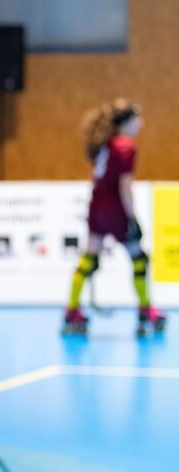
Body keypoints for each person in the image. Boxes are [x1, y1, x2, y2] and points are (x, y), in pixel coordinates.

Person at [63, 99, 165, 335]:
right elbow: (124, 186)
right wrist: (132, 218)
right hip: (115, 208)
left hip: (97, 206)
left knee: (88, 260)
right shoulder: (125, 146)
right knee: (139, 259)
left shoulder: (103, 143)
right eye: (137, 119)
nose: (141, 123)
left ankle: (71, 310)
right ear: (126, 122)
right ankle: (146, 311)